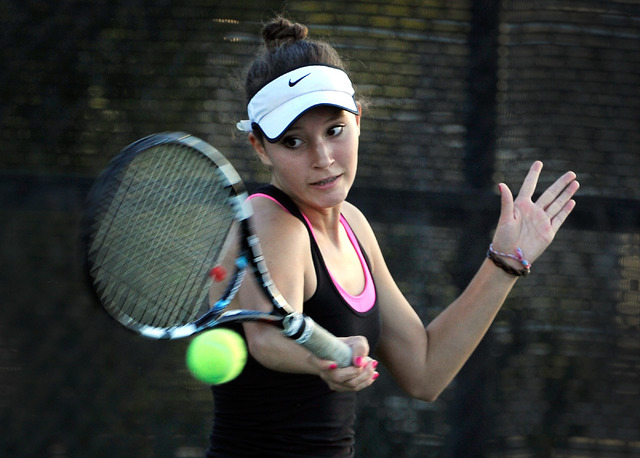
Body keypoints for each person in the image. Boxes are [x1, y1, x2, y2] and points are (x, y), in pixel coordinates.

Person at [206, 16, 579, 457]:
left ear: (358, 119)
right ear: (259, 148)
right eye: (293, 141)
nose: (323, 158)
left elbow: (425, 371)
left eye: (335, 130)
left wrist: (505, 262)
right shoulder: (271, 220)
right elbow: (267, 337)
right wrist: (323, 358)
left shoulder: (353, 225)